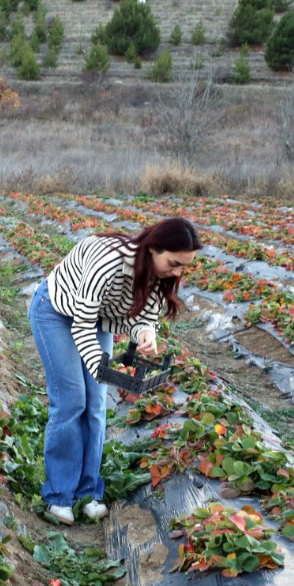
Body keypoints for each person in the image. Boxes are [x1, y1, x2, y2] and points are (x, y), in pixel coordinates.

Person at [27, 218, 201, 526]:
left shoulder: (159, 274)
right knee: (71, 401)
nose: (177, 273)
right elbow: (81, 323)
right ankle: (59, 496)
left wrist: (146, 335)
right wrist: (102, 368)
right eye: (174, 263)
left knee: (95, 406)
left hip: (99, 320)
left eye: (183, 267)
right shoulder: (108, 261)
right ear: (152, 249)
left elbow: (146, 317)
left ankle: (89, 492)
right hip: (56, 312)